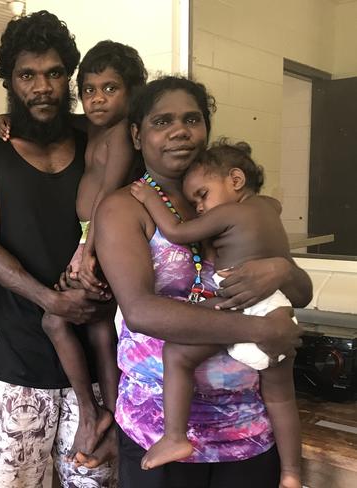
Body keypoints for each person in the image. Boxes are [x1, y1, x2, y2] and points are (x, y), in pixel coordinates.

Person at [88, 76, 312, 488]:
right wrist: (262, 329)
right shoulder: (124, 208)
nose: (179, 130)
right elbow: (140, 311)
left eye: (192, 119)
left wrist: (282, 270)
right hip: (158, 429)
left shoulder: (235, 206)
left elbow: (299, 293)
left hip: (247, 431)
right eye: (162, 122)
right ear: (137, 135)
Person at [0, 11, 116, 488]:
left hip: (97, 358)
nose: (42, 87)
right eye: (28, 75)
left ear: (68, 76)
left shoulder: (96, 141)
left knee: (93, 482)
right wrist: (52, 300)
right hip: (20, 359)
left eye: (54, 73)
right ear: (10, 80)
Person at [0, 40, 147, 457]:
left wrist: (86, 253)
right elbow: (43, 120)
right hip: (92, 240)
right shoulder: (88, 127)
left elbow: (107, 200)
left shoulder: (121, 135)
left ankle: (91, 408)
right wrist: (7, 117)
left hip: (101, 241)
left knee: (56, 322)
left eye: (111, 89)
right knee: (97, 329)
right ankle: (111, 415)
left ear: (132, 92)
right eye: (91, 89)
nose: (98, 99)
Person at [130, 140, 301, 487]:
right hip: (280, 310)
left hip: (242, 301)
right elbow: (301, 288)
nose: (201, 207)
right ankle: (292, 473)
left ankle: (175, 436)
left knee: (176, 352)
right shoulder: (270, 208)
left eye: (203, 195)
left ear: (236, 180)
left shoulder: (232, 212)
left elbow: (177, 232)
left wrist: (150, 198)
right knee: (282, 396)